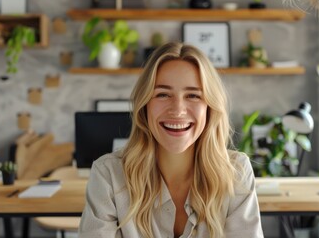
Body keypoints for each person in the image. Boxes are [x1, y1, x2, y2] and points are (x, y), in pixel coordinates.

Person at [78, 42, 264, 238]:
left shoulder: (236, 172)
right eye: (163, 94)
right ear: (145, 105)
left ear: (209, 108)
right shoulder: (109, 175)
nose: (177, 110)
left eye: (193, 95)